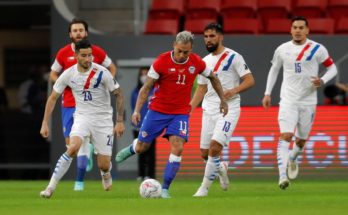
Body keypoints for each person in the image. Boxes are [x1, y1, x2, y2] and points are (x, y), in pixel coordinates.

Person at [115, 31, 228, 198]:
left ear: (191, 49)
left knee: (178, 146)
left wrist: (223, 100)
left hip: (180, 113)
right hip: (157, 111)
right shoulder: (161, 62)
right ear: (174, 45)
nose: (182, 55)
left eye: (186, 52)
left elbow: (213, 78)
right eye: (179, 51)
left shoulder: (196, 62)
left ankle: (165, 189)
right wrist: (137, 110)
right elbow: (146, 88)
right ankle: (133, 147)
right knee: (142, 147)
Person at [39, 39, 125, 198]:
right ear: (76, 55)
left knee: (103, 164)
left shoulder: (102, 72)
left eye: (90, 55)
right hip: (82, 117)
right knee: (72, 148)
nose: (88, 59)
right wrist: (45, 123)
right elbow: (52, 98)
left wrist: (119, 121)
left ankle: (105, 172)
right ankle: (50, 188)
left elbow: (119, 94)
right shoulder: (68, 74)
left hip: (103, 120)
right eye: (84, 56)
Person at [262, 16, 337, 190]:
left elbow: (332, 68)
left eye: (301, 27)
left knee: (301, 141)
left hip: (309, 102)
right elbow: (274, 71)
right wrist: (267, 93)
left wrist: (323, 80)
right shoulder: (282, 49)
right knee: (286, 136)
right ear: (290, 30)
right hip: (288, 100)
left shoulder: (318, 49)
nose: (297, 30)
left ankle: (293, 159)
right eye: (294, 27)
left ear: (307, 30)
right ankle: (282, 177)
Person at [50, 18, 117, 191]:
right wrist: (63, 84)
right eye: (75, 30)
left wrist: (105, 85)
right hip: (70, 104)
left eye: (81, 30)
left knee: (80, 146)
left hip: (92, 107)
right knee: (71, 145)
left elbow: (112, 69)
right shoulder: (63, 53)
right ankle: (84, 161)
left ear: (86, 33)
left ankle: (79, 182)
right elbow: (53, 74)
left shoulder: (97, 52)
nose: (78, 33)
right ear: (70, 34)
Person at [190, 23, 255, 197]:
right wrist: (189, 109)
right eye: (206, 36)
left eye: (212, 36)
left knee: (214, 147)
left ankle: (203, 189)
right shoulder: (204, 62)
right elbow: (201, 89)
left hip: (229, 109)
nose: (208, 40)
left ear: (220, 37)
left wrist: (233, 91)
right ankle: (221, 167)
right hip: (208, 109)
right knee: (205, 153)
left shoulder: (234, 57)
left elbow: (249, 80)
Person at [131, 67, 156, 180]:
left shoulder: (154, 91)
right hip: (137, 127)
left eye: (146, 74)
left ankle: (150, 175)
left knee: (151, 152)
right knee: (139, 150)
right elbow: (133, 107)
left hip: (151, 127)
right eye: (142, 74)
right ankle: (141, 175)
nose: (144, 76)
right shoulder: (135, 92)